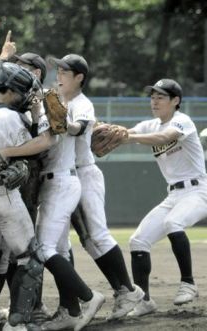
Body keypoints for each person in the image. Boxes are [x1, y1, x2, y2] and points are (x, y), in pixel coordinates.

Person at [50, 54, 144, 321]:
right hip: (66, 175)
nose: (59, 75)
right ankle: (120, 291)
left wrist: (64, 123)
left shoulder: (82, 103)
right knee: (87, 241)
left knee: (98, 236)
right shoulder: (60, 100)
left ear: (79, 77)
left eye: (65, 72)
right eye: (58, 70)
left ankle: (127, 290)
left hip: (84, 173)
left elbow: (78, 128)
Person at [125, 78, 207, 316]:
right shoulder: (150, 125)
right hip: (173, 194)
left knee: (173, 223)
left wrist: (127, 137)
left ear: (175, 101)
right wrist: (99, 129)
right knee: (138, 241)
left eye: (161, 97)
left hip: (198, 191)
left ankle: (188, 283)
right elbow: (124, 133)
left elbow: (164, 138)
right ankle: (144, 300)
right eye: (152, 96)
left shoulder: (183, 121)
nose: (154, 101)